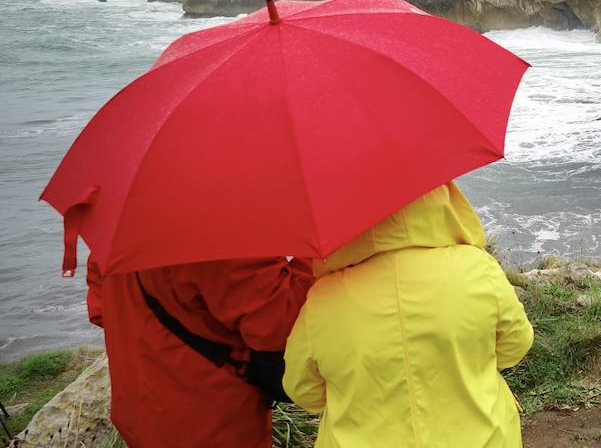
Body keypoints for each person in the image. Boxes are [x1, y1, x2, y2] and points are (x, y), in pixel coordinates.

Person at [284, 183, 532, 448]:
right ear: (437, 198)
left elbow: (304, 391)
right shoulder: (478, 269)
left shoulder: (323, 300)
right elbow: (516, 344)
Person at [87, 255, 312, 448]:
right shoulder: (222, 228)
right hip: (209, 422)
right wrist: (324, 259)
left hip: (139, 411)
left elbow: (100, 309)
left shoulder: (122, 225)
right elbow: (279, 325)